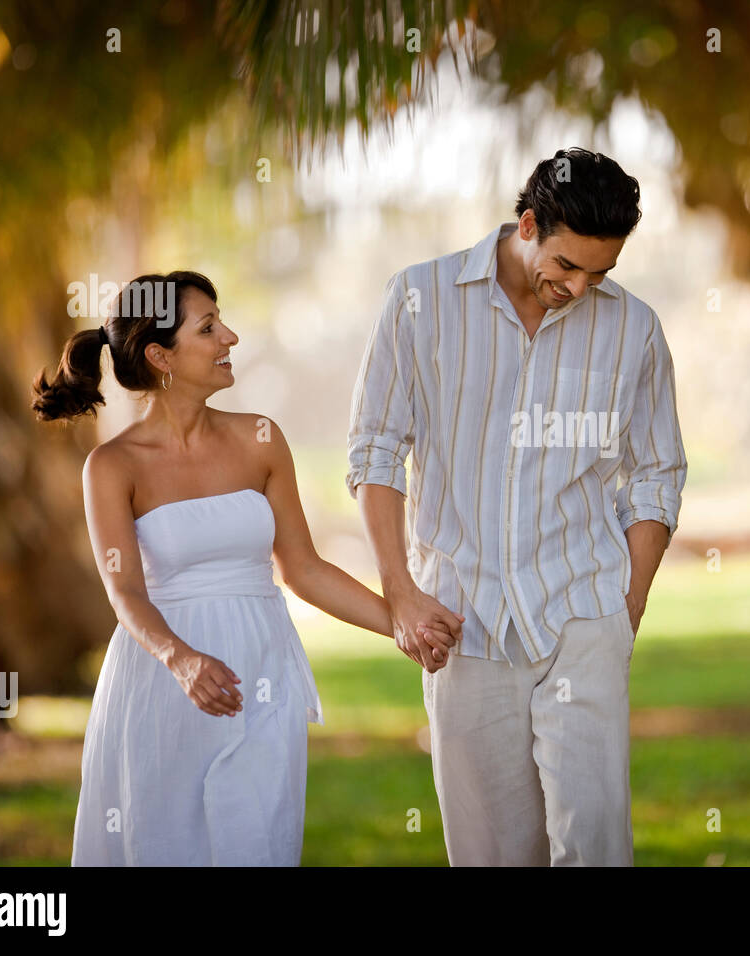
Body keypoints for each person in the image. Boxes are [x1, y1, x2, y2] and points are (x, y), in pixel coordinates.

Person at [33, 271, 456, 865]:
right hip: (162, 682)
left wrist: (404, 625)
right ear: (161, 357)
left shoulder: (260, 438)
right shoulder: (112, 465)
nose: (229, 336)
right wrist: (181, 659)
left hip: (262, 673)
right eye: (208, 328)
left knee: (254, 843)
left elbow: (303, 569)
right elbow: (124, 591)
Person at [347, 148, 688, 866]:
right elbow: (376, 454)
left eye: (600, 274)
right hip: (462, 622)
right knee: (492, 854)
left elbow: (657, 475)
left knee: (595, 842)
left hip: (584, 613)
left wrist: (627, 607)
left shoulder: (635, 329)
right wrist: (401, 592)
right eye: (566, 267)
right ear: (528, 223)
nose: (580, 287)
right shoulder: (419, 299)